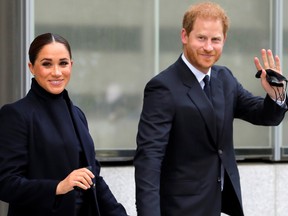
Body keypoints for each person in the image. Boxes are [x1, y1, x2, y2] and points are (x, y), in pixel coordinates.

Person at [134, 2, 288, 216]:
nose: (208, 47)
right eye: (201, 38)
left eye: (215, 39)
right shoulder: (163, 87)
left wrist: (275, 94)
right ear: (184, 36)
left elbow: (263, 115)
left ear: (224, 40)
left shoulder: (224, 78)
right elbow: (149, 159)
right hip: (180, 209)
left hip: (219, 205)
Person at [0, 33, 128, 216]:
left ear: (71, 65)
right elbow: (6, 183)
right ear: (31, 67)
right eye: (46, 64)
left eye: (63, 63)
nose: (57, 72)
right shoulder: (16, 114)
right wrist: (58, 187)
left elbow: (93, 179)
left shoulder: (78, 115)